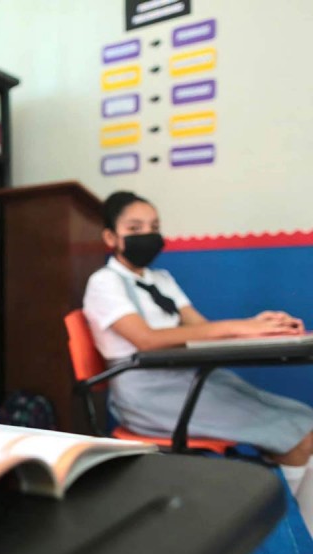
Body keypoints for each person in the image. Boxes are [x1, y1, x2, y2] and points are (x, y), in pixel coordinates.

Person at [83, 190, 313, 525]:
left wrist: (260, 328)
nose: (147, 234)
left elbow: (201, 329)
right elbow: (146, 340)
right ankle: (282, 534)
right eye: (135, 228)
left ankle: (296, 533)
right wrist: (239, 327)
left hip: (191, 378)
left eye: (154, 226)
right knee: (298, 437)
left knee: (305, 420)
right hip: (150, 396)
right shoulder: (104, 283)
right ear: (110, 237)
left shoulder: (161, 279)